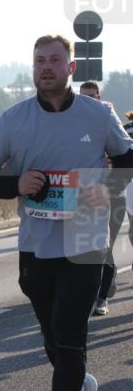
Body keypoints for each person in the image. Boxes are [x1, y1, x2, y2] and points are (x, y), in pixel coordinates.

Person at [0, 35, 133, 391]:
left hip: (86, 241)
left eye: (55, 60)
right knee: (51, 337)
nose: (46, 67)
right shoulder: (14, 119)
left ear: (70, 68)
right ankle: (81, 385)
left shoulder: (98, 114)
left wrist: (108, 189)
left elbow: (128, 160)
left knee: (68, 334)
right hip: (36, 244)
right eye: (39, 61)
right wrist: (17, 185)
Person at [78, 82, 125, 316]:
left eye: (92, 96)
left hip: (112, 194)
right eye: (83, 97)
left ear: (99, 96)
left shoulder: (109, 120)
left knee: (105, 246)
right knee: (85, 247)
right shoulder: (73, 125)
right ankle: (94, 287)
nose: (87, 101)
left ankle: (102, 297)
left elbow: (127, 155)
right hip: (84, 195)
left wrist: (112, 162)